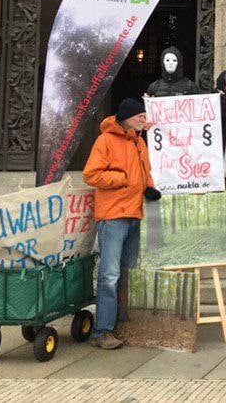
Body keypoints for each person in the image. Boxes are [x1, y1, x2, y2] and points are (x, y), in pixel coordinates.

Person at [83, 98, 161, 350]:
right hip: (113, 216)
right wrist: (123, 178)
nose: (143, 118)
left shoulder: (139, 142)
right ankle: (102, 331)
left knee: (126, 274)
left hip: (134, 215)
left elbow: (145, 172)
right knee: (109, 275)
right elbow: (91, 174)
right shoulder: (105, 141)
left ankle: (120, 326)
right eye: (139, 115)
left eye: (143, 114)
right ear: (126, 117)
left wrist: (149, 188)